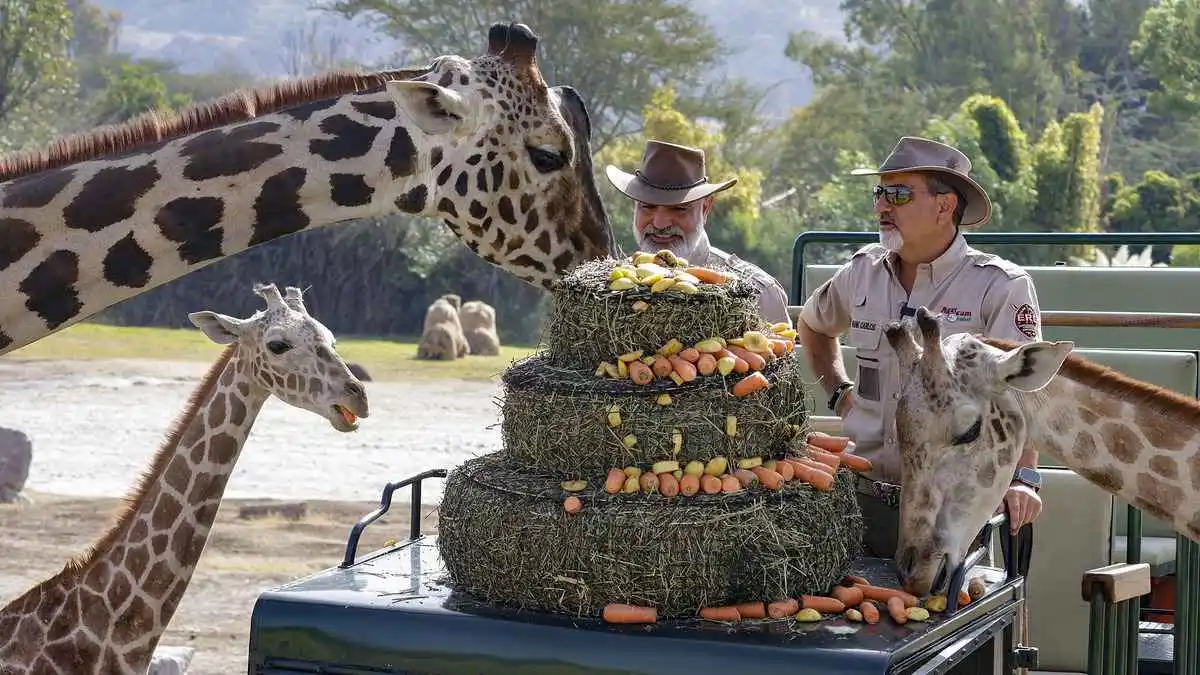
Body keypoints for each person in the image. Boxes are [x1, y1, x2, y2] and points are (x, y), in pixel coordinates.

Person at [796, 136, 1045, 559]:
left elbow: (1025, 391)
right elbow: (812, 326)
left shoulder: (999, 286)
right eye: (880, 192)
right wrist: (840, 394)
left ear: (944, 206)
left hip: (947, 510)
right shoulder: (861, 273)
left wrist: (1024, 477)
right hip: (860, 498)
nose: (881, 206)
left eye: (899, 194)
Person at [605, 140, 792, 327]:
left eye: (679, 209)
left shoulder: (757, 293)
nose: (660, 223)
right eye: (647, 206)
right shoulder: (606, 290)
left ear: (705, 208)